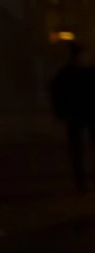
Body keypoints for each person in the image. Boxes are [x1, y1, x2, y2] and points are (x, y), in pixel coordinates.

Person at [51, 41, 94, 193]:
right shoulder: (86, 73)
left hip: (78, 115)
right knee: (77, 149)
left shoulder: (66, 73)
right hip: (84, 114)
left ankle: (80, 181)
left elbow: (57, 94)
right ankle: (80, 181)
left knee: (76, 149)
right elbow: (57, 94)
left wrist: (60, 112)